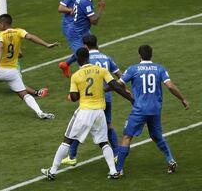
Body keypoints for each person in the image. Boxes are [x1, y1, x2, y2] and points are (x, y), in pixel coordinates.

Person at [41, 48, 133, 180]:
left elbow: (73, 97)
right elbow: (115, 86)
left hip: (84, 111)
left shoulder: (76, 75)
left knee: (67, 140)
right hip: (99, 112)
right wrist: (130, 99)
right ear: (88, 57)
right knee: (103, 142)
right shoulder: (101, 71)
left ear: (78, 59)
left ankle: (53, 171)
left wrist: (77, 94)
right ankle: (113, 171)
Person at [115, 44, 189, 176]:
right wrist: (182, 99)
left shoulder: (133, 69)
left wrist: (104, 89)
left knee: (127, 137)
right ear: (151, 55)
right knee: (156, 136)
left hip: (139, 110)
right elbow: (170, 86)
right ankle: (170, 160)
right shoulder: (159, 69)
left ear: (139, 55)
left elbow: (119, 84)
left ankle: (118, 170)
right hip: (155, 110)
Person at [61, 35, 122, 166]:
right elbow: (120, 76)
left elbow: (83, 80)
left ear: (85, 46)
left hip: (89, 100)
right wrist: (111, 89)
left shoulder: (85, 60)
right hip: (107, 99)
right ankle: (117, 154)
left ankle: (72, 156)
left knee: (79, 127)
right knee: (108, 125)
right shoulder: (106, 57)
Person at [58, 0, 105, 78]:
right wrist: (101, 7)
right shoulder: (85, 1)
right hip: (76, 34)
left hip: (83, 30)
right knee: (83, 60)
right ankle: (77, 90)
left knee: (94, 49)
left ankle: (65, 64)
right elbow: (94, 21)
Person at [58, 0, 85, 77]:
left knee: (91, 47)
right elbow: (60, 8)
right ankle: (83, 77)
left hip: (81, 25)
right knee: (81, 52)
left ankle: (66, 64)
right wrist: (71, 10)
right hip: (70, 26)